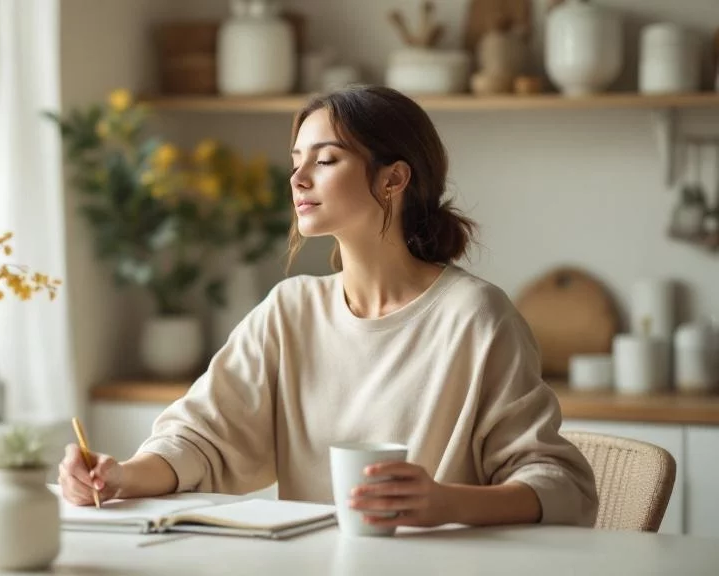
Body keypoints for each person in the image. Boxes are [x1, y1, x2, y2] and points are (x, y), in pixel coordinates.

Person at [58, 85, 598, 529]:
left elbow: (561, 484)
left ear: (393, 178)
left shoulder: (476, 317)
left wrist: (446, 503)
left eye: (326, 159)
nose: (297, 179)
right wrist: (120, 476)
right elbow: (200, 439)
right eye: (296, 161)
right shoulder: (289, 311)